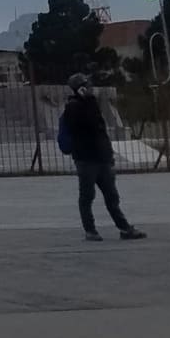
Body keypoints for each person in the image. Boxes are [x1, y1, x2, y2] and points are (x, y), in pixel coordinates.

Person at [59, 73, 147, 242]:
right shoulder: (74, 107)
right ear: (81, 88)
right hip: (86, 159)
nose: (92, 88)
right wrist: (87, 102)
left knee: (112, 196)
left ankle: (124, 228)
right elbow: (86, 127)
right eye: (88, 85)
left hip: (101, 158)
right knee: (87, 196)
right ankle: (90, 230)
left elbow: (101, 132)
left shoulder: (92, 104)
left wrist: (108, 155)